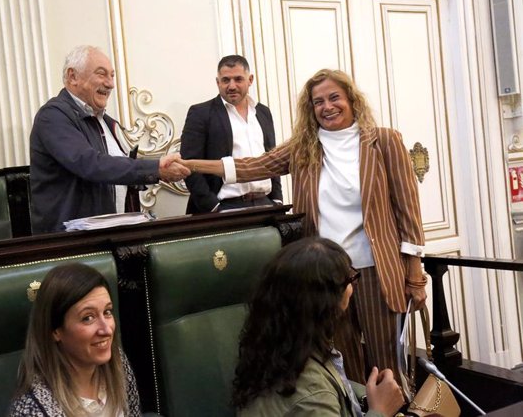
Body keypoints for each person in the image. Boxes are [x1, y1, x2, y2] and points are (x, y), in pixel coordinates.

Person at [180, 69, 427, 386]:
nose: (327, 107)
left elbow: (408, 209)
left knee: (388, 370)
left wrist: (415, 274)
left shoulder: (384, 141)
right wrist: (191, 164)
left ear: (351, 99)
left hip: (377, 272)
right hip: (326, 278)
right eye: (318, 102)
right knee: (343, 370)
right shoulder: (303, 147)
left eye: (334, 97)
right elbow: (251, 166)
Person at [233, 237, 405, 416]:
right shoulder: (314, 394)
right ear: (326, 303)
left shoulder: (278, 347)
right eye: (349, 278)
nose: (352, 286)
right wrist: (381, 410)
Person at [29, 45, 190, 234]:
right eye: (101, 74)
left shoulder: (106, 122)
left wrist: (158, 170)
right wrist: (155, 169)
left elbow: (119, 167)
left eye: (112, 75)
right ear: (73, 77)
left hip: (109, 234)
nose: (110, 83)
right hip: (70, 241)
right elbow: (91, 164)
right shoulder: (53, 116)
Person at [10, 263, 141, 416]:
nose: (106, 330)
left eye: (107, 312)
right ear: (55, 331)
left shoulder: (117, 363)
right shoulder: (32, 411)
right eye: (88, 318)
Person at [180, 55, 282, 213]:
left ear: (250, 80)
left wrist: (277, 199)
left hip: (265, 203)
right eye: (226, 80)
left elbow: (272, 157)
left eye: (238, 79)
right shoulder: (201, 113)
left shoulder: (263, 112)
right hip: (225, 207)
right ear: (217, 82)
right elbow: (189, 164)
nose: (232, 86)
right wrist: (212, 206)